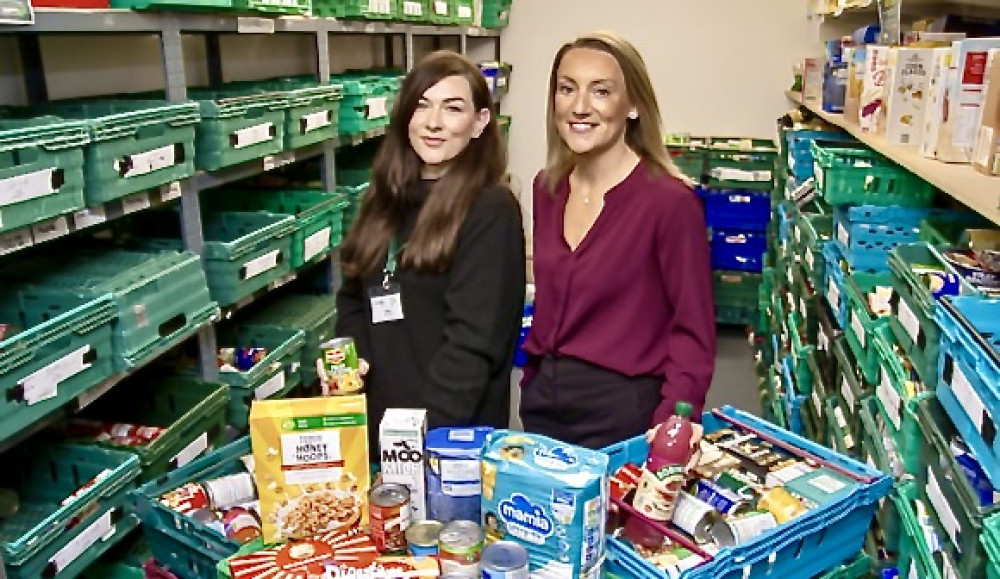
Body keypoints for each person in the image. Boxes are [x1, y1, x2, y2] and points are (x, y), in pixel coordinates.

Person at [519, 31, 716, 450]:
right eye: (567, 89)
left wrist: (674, 423)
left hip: (625, 413)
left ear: (633, 106)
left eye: (601, 91)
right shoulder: (547, 188)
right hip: (544, 406)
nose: (580, 107)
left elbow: (693, 328)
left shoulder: (669, 202)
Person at [335, 51, 526, 452]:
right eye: (422, 105)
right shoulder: (385, 196)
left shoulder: (490, 209)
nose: (433, 122)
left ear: (479, 124)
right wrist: (350, 369)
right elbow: (354, 297)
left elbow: (471, 349)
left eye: (452, 108)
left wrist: (417, 446)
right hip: (377, 433)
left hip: (444, 444)